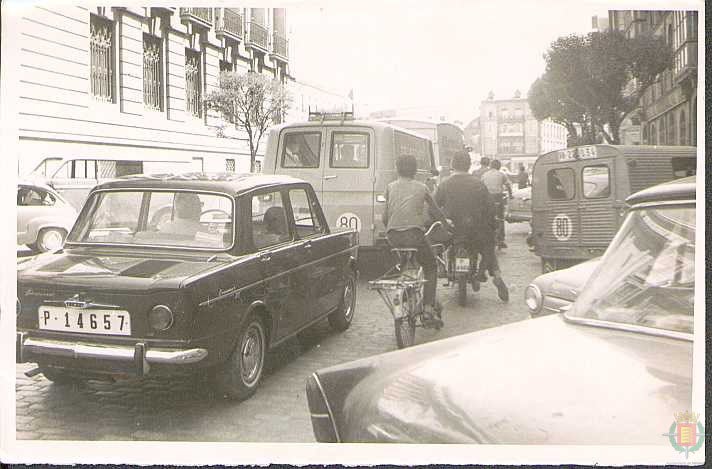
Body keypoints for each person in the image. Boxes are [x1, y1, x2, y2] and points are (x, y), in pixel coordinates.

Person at [382, 154, 449, 326]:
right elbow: (435, 211)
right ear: (414, 170)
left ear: (397, 169)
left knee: (404, 261)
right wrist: (445, 223)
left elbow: (385, 217)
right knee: (431, 266)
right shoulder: (422, 187)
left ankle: (406, 290)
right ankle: (427, 308)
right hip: (414, 235)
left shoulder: (390, 187)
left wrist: (391, 228)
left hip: (393, 236)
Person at [435, 151, 509, 301]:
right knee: (488, 248)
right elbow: (489, 208)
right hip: (477, 230)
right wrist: (490, 224)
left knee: (440, 247)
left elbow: (435, 207)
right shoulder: (478, 183)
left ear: (452, 165)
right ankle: (495, 275)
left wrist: (443, 220)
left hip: (454, 231)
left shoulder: (445, 184)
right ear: (468, 165)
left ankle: (443, 268)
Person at [481, 159, 512, 249]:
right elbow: (508, 185)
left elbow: (481, 186)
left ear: (490, 166)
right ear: (498, 166)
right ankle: (501, 240)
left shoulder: (484, 175)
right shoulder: (501, 174)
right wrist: (511, 195)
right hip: (498, 198)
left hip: (487, 199)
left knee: (486, 218)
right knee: (501, 218)